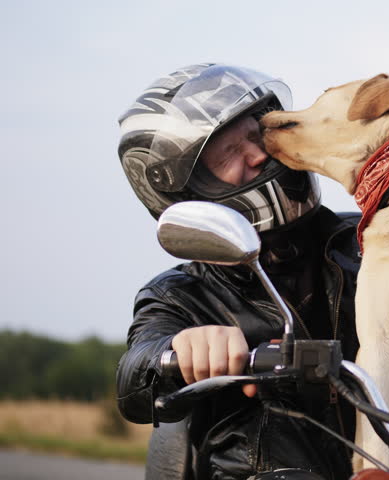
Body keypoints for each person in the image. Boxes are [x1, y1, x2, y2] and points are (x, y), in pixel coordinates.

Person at [116, 64, 361, 480]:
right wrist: (178, 350)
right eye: (229, 153)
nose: (258, 155)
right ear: (188, 193)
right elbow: (134, 378)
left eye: (255, 135)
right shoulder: (181, 295)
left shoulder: (368, 241)